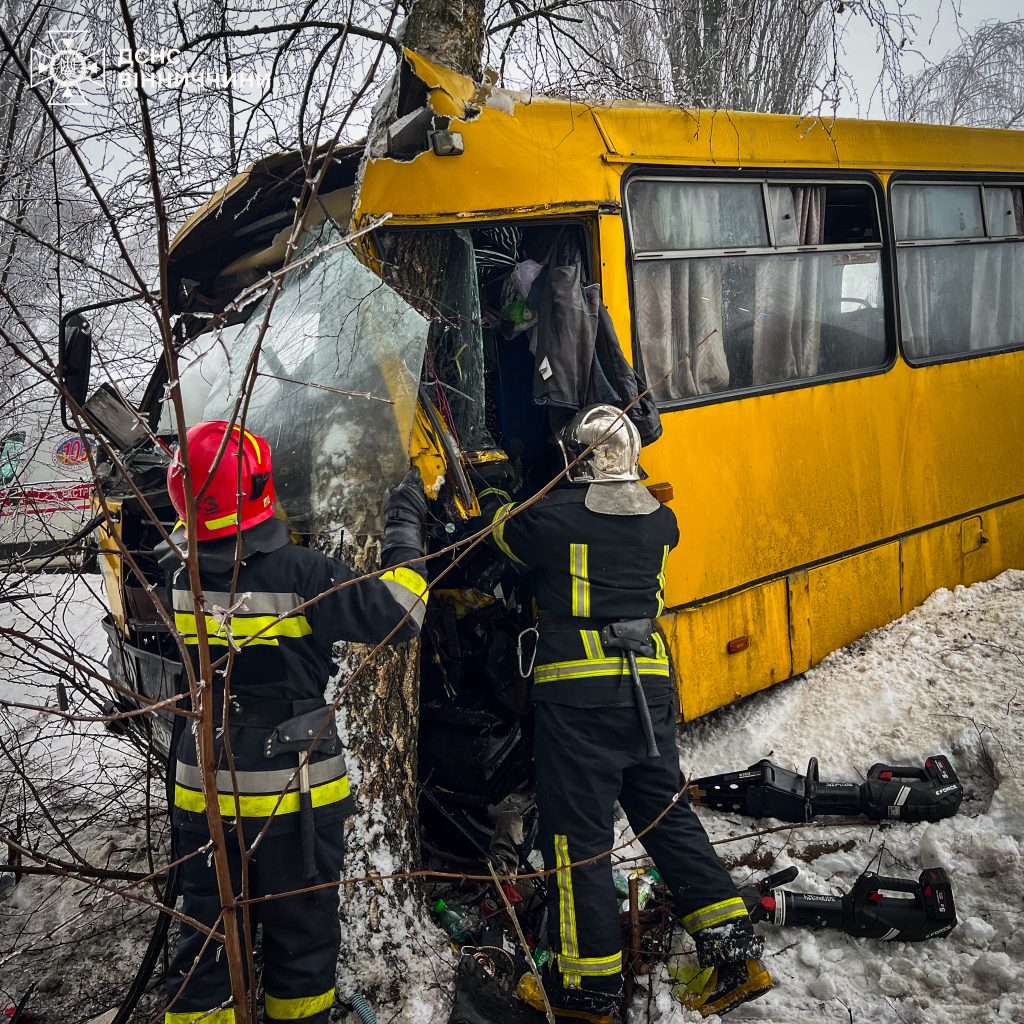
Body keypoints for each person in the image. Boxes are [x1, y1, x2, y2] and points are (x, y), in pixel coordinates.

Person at [479, 405, 773, 1022]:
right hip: (648, 693)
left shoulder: (551, 520)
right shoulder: (661, 522)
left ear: (575, 461)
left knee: (578, 841)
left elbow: (498, 532)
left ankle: (586, 989)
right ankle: (734, 951)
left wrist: (500, 493)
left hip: (578, 704)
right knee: (666, 817)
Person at [162, 420, 429, 1024]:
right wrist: (404, 530)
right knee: (302, 947)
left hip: (201, 785)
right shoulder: (302, 575)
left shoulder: (176, 577)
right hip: (292, 796)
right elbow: (403, 613)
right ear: (256, 489)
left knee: (205, 943)